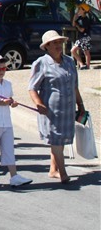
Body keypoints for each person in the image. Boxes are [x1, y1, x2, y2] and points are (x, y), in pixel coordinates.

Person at [28, 30, 86, 184]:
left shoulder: (69, 61)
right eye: (54, 43)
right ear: (46, 46)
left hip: (67, 110)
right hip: (51, 111)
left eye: (59, 42)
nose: (58, 45)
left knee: (59, 141)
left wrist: (80, 104)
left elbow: (75, 86)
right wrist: (38, 103)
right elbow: (32, 87)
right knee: (55, 140)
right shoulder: (41, 63)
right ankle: (63, 172)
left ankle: (53, 170)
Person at [0, 54, 33, 187]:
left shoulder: (8, 84)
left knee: (9, 149)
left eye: (4, 69)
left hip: (7, 122)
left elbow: (9, 99)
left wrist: (12, 103)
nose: (1, 71)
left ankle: (14, 176)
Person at [71, 4, 93, 70]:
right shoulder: (80, 18)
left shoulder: (86, 20)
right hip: (81, 37)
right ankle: (82, 65)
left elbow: (82, 29)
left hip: (85, 37)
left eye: (79, 9)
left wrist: (77, 25)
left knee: (86, 52)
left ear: (83, 10)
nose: (78, 10)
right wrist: (75, 17)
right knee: (73, 50)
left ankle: (87, 66)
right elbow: (73, 24)